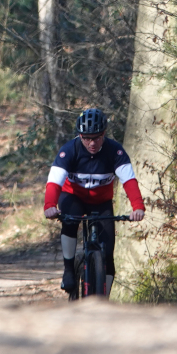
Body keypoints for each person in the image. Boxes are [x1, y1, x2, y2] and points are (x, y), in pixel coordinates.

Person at [43, 107, 145, 296]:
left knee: (107, 253)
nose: (91, 143)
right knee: (70, 221)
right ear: (79, 136)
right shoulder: (68, 151)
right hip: (73, 196)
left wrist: (137, 207)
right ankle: (68, 269)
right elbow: (54, 182)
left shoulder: (115, 152)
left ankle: (103, 300)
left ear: (104, 134)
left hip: (101, 201)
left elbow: (129, 181)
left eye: (96, 137)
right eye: (86, 138)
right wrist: (50, 206)